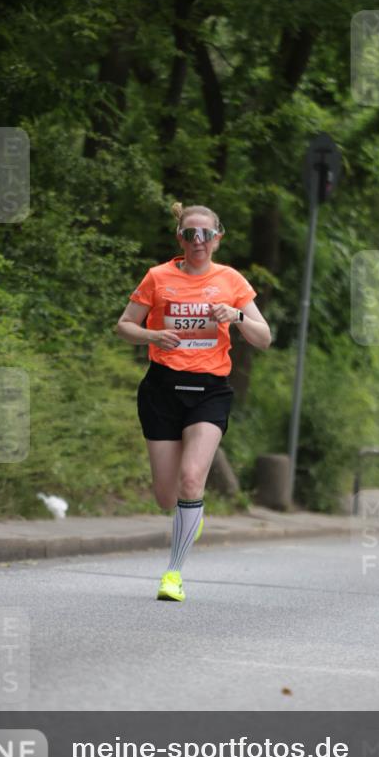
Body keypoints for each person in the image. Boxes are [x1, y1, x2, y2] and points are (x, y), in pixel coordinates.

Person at [116, 202, 272, 600]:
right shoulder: (158, 277)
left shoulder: (231, 280)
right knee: (167, 496)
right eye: (190, 234)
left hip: (209, 390)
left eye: (205, 234)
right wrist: (152, 336)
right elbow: (124, 325)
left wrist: (235, 316)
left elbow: (264, 337)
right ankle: (191, 510)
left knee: (191, 478)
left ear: (218, 238)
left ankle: (173, 574)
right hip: (162, 390)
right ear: (180, 238)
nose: (197, 241)